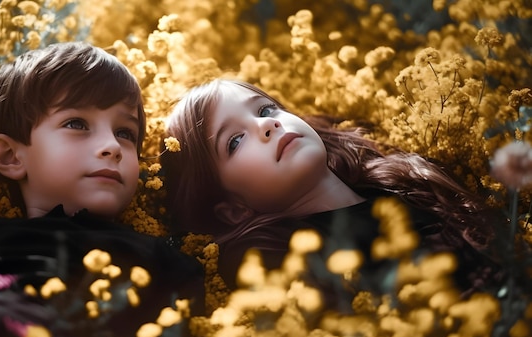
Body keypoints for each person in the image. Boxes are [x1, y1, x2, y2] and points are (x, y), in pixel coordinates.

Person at [0, 42, 204, 337]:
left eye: (125, 133)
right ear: (11, 156)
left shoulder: (162, 260)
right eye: (77, 124)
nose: (112, 146)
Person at [161, 78, 503, 310]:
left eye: (265, 110)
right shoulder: (283, 260)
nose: (267, 125)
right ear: (234, 210)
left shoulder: (408, 182)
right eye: (235, 141)